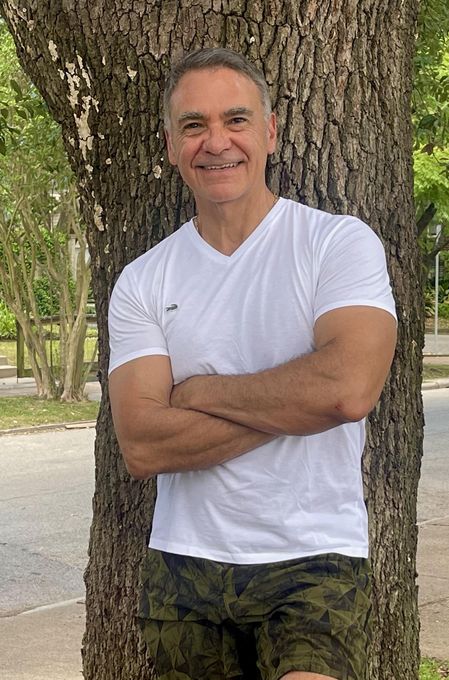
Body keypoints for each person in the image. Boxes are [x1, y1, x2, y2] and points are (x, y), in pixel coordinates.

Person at [108, 47, 397, 680]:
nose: (216, 142)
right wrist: (296, 404)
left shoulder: (335, 243)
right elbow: (143, 444)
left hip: (314, 558)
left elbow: (347, 390)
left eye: (235, 120)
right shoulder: (143, 280)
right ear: (171, 145)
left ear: (269, 131)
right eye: (194, 125)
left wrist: (198, 391)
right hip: (184, 564)